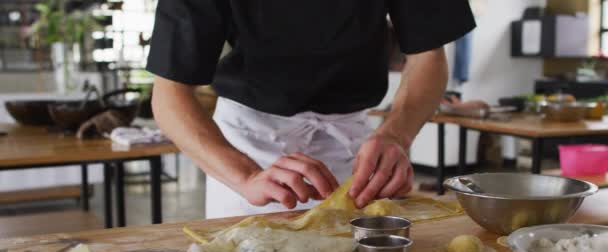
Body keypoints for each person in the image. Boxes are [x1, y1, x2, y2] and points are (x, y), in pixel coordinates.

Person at [147, 1, 476, 218]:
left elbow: (429, 57)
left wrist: (397, 135)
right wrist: (245, 175)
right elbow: (169, 92)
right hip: (247, 150)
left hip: (355, 153)